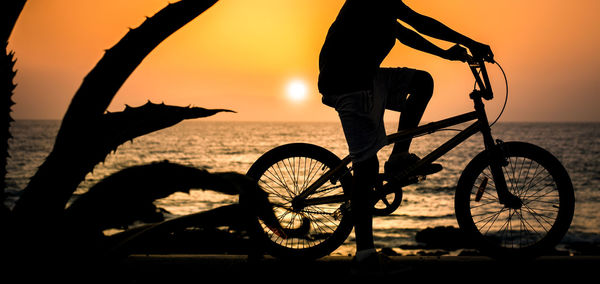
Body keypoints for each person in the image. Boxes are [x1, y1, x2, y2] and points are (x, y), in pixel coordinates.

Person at [317, 0, 494, 268]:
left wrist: (445, 54)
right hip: (348, 84)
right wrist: (470, 42)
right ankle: (365, 251)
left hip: (368, 77)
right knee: (367, 164)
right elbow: (419, 22)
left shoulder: (383, 10)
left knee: (423, 82)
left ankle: (399, 156)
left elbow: (405, 33)